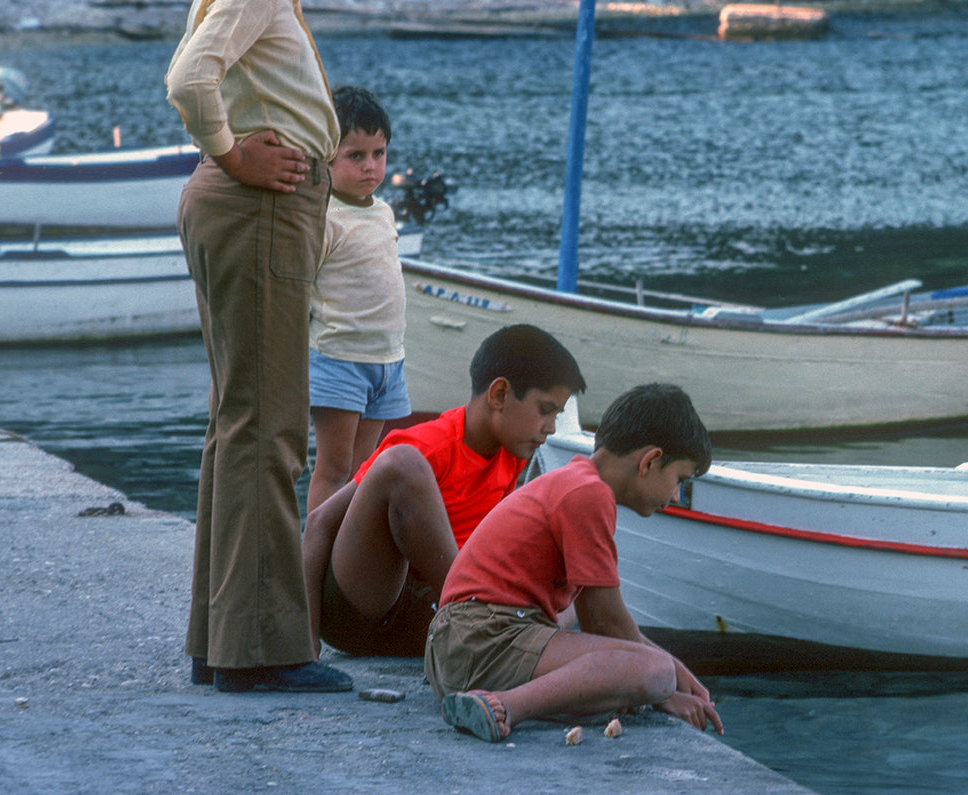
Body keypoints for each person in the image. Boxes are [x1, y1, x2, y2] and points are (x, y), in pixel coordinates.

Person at [164, 0, 389, 693]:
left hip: (258, 208)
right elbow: (191, 79)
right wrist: (231, 154)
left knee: (239, 422)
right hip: (257, 208)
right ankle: (260, 651)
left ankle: (220, 639)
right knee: (269, 427)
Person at [423, 382, 725, 741]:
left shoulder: (577, 481)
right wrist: (668, 683)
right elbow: (609, 622)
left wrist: (676, 673)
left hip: (462, 643)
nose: (675, 496)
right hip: (480, 639)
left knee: (618, 649)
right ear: (651, 461)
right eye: (680, 480)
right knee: (654, 671)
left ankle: (513, 697)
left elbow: (596, 619)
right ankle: (505, 705)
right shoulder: (589, 495)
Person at [303, 324, 586, 660]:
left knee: (581, 579)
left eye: (557, 415)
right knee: (403, 464)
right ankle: (481, 614)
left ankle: (497, 622)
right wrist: (304, 642)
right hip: (365, 610)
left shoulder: (511, 454)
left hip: (426, 614)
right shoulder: (431, 445)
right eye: (544, 410)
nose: (551, 428)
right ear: (499, 395)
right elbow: (320, 523)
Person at [306, 85, 411, 515]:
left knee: (363, 470)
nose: (370, 167)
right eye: (355, 156)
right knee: (333, 468)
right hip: (339, 358)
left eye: (379, 154)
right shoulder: (323, 217)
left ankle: (343, 561)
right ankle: (314, 559)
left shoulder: (383, 211)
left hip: (387, 360)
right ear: (324, 158)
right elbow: (300, 289)